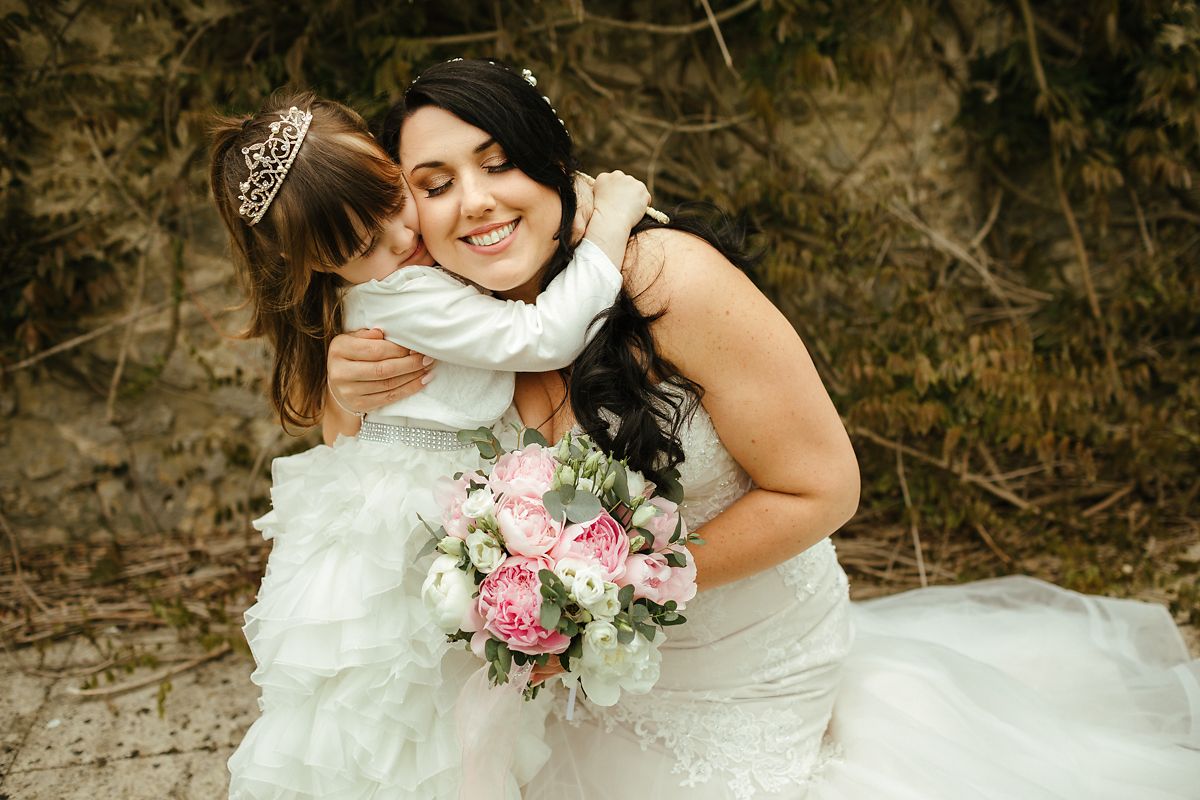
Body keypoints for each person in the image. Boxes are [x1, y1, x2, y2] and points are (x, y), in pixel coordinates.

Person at [329, 58, 1200, 799]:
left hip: (749, 665)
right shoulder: (443, 318)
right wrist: (341, 396)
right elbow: (355, 468)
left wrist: (619, 588)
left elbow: (824, 487)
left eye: (501, 164)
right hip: (585, 684)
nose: (475, 204)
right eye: (436, 187)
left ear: (553, 163)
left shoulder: (669, 279)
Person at [209, 88, 653, 799]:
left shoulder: (398, 277)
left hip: (393, 499)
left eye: (391, 201)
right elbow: (541, 335)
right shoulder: (406, 294)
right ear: (317, 265)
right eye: (360, 246)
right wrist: (612, 224)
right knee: (416, 715)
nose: (398, 240)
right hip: (412, 517)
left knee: (420, 711)